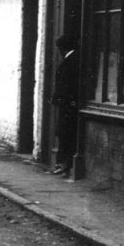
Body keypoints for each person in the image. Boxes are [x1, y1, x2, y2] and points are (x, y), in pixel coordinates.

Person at [51, 33, 80, 176]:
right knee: (63, 133)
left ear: (62, 48)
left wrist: (59, 99)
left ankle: (64, 165)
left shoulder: (71, 61)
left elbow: (68, 85)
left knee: (64, 134)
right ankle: (64, 164)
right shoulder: (71, 59)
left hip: (68, 105)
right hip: (67, 104)